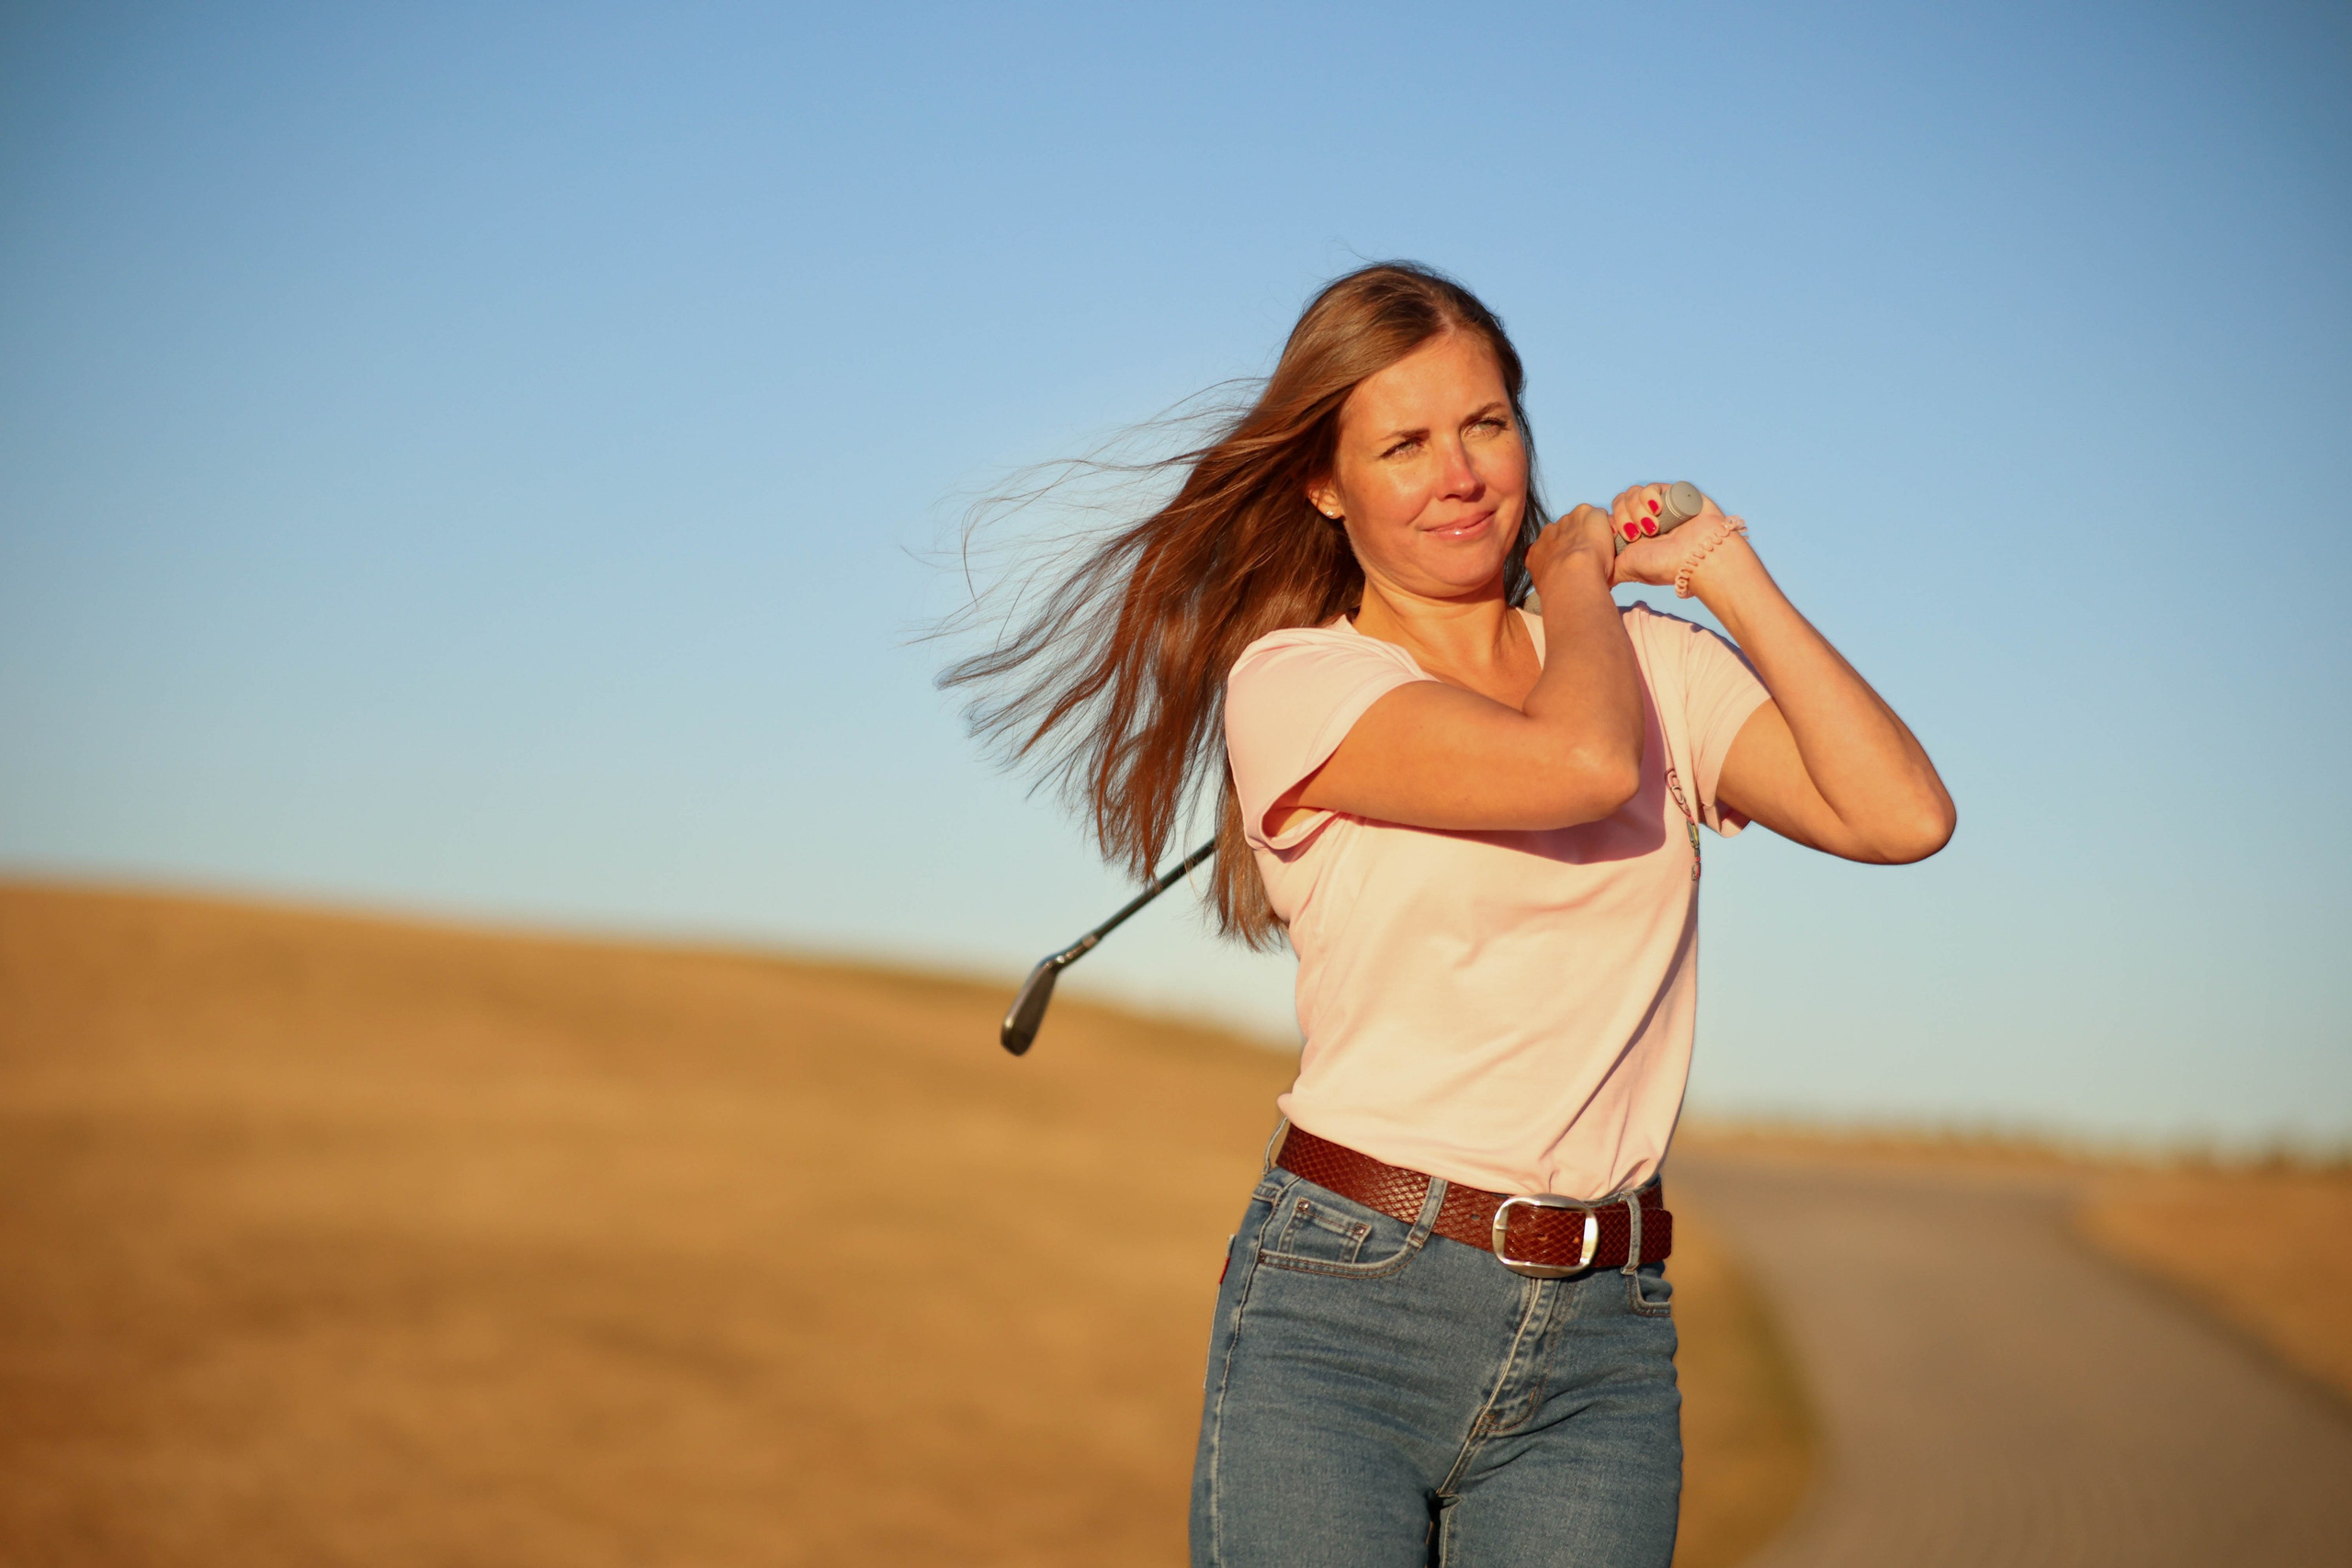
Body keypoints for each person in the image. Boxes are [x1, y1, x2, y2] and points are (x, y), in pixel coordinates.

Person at [943, 262, 1953, 1567]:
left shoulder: (1655, 670)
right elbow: (1580, 766)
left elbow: (1901, 818)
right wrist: (1577, 572)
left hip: (1607, 1343)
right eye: (1403, 444)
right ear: (1325, 483)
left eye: (1487, 424)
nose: (1461, 473)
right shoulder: (1303, 682)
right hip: (1346, 1311)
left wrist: (1721, 570)